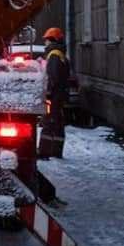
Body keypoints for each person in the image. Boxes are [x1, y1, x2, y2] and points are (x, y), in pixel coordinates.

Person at [38, 27, 70, 159]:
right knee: (57, 123)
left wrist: (49, 93)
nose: (45, 43)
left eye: (46, 40)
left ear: (52, 40)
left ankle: (44, 151)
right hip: (60, 94)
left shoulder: (54, 54)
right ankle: (56, 151)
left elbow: (53, 76)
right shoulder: (61, 54)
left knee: (49, 122)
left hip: (54, 95)